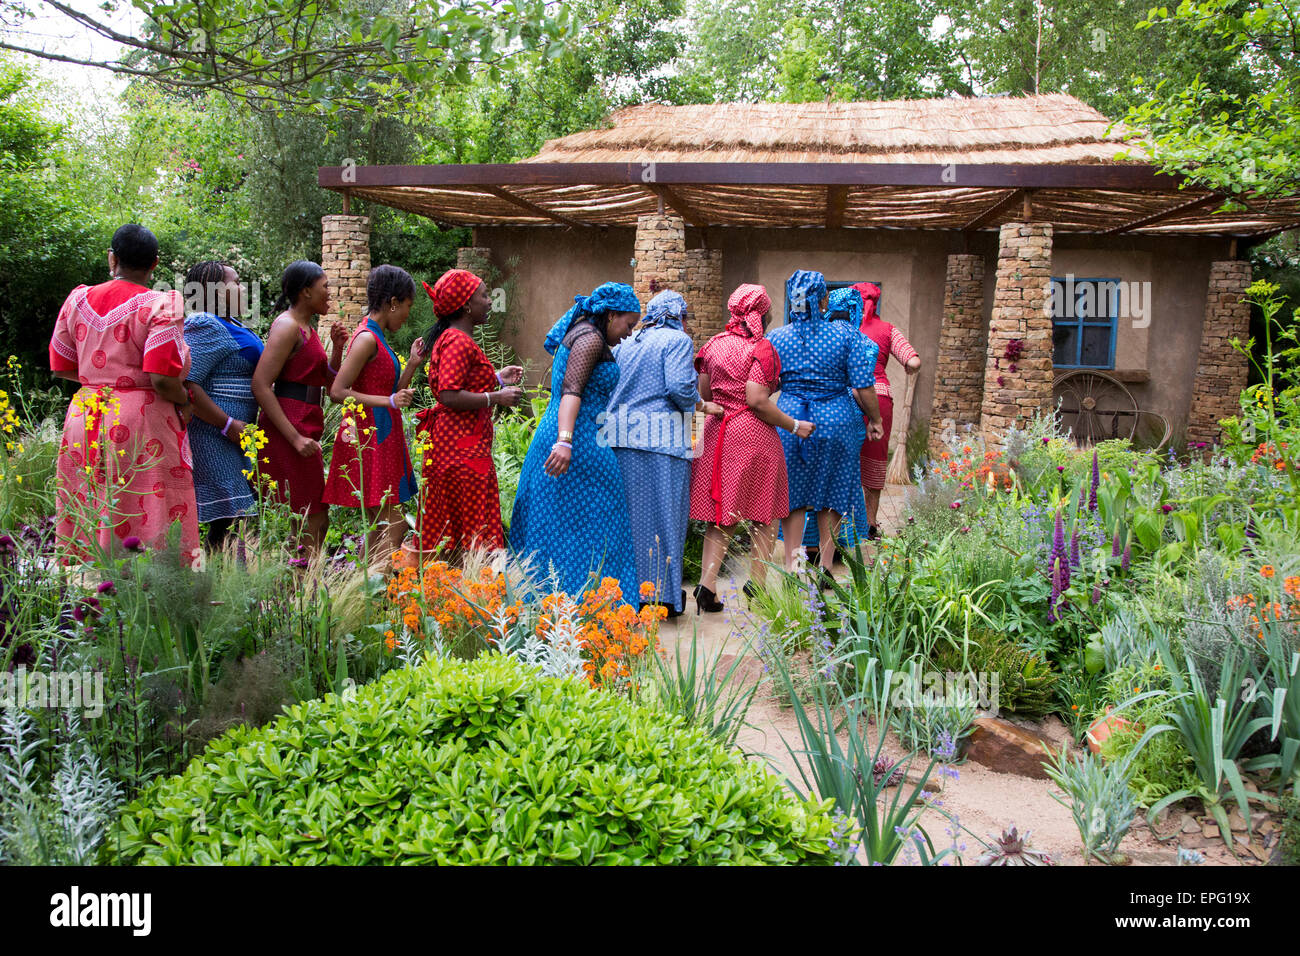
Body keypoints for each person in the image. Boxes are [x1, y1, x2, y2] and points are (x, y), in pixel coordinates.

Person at [48, 223, 200, 563]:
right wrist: (185, 399)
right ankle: (153, 591)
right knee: (149, 502)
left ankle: (89, 593)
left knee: (91, 497)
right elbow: (161, 377)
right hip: (141, 419)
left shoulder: (77, 300)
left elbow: (60, 365)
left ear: (112, 258)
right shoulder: (163, 304)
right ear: (154, 264)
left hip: (85, 414)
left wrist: (101, 382)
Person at [509, 283, 641, 602]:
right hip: (576, 438)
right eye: (628, 324)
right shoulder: (590, 339)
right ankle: (592, 603)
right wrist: (565, 442)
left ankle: (558, 602)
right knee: (599, 522)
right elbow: (571, 389)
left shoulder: (585, 333)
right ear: (611, 315)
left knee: (562, 522)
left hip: (576, 437)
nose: (629, 333)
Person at [689, 283, 812, 612]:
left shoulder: (713, 345)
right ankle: (758, 583)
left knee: (721, 516)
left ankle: (707, 584)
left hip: (718, 433)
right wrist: (794, 425)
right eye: (769, 309)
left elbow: (707, 395)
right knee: (765, 513)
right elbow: (757, 400)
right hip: (753, 434)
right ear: (761, 313)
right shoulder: (762, 348)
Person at [607, 290, 720, 618]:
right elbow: (680, 388)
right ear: (677, 315)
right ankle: (663, 598)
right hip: (661, 442)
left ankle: (629, 592)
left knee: (629, 521)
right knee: (666, 519)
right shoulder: (677, 340)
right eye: (685, 316)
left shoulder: (628, 342)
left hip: (619, 438)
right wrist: (703, 405)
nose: (686, 323)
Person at [767, 270, 884, 585]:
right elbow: (863, 385)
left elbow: (767, 384)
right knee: (831, 495)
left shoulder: (777, 337)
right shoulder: (845, 335)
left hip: (791, 423)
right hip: (836, 422)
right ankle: (826, 567)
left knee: (792, 497)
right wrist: (875, 419)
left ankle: (793, 566)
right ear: (824, 299)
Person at [411, 268, 524, 556]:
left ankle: (456, 586)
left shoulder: (454, 339)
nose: (489, 301)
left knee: (456, 521)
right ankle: (470, 588)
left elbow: (461, 385)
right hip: (462, 450)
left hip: (459, 445)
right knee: (471, 523)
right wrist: (496, 396)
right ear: (465, 305)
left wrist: (497, 378)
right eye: (484, 295)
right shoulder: (458, 340)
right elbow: (449, 394)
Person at [323, 265, 426, 563]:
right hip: (370, 437)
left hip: (382, 434)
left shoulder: (378, 336)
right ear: (393, 302)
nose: (407, 314)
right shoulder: (367, 338)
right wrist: (390, 400)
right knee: (393, 523)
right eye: (407, 306)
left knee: (383, 522)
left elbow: (390, 394)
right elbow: (337, 392)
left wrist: (412, 365)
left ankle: (362, 588)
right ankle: (375, 593)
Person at [251, 261, 347, 557]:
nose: (330, 293)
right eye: (325, 287)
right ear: (306, 291)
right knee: (311, 514)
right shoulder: (287, 326)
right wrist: (294, 438)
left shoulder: (307, 327)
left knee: (315, 513)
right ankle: (303, 586)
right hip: (289, 428)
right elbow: (261, 385)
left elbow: (329, 386)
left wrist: (337, 348)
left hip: (306, 421)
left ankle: (305, 582)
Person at [182, 260, 263, 550]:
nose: (242, 288)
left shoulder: (231, 323)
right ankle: (216, 585)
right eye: (235, 282)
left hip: (233, 437)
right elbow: (188, 383)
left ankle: (226, 583)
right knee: (225, 520)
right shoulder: (204, 324)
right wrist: (227, 424)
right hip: (213, 436)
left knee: (232, 520)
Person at [853, 281, 921, 537]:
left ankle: (842, 523)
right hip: (880, 400)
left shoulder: (845, 328)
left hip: (849, 400)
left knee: (847, 462)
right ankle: (870, 524)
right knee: (874, 460)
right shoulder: (888, 330)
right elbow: (914, 361)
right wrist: (908, 367)